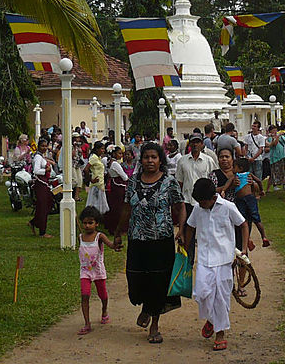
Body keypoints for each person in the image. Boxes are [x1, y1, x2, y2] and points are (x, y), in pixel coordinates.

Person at [113, 142, 186, 344]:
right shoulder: (133, 182)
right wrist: (118, 232)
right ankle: (145, 306)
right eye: (146, 157)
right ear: (141, 160)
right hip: (137, 240)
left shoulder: (169, 182)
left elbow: (180, 207)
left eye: (154, 157)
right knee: (136, 280)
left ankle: (154, 323)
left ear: (160, 160)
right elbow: (127, 209)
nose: (150, 161)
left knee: (158, 282)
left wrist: (181, 229)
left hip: (160, 240)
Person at [183, 177, 249, 351]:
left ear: (213, 198)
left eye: (203, 202)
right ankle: (212, 320)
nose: (201, 205)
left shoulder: (228, 207)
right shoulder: (198, 209)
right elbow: (190, 226)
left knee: (221, 296)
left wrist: (242, 251)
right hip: (205, 258)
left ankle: (220, 333)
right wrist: (185, 247)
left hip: (225, 259)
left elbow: (243, 224)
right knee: (201, 293)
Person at [174, 132, 218, 262]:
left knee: (206, 231)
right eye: (193, 142)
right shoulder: (182, 161)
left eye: (198, 142)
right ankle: (189, 260)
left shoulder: (208, 160)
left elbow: (213, 180)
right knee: (189, 232)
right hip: (187, 201)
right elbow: (179, 182)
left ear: (202, 144)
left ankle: (209, 259)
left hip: (204, 202)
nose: (195, 144)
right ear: (189, 144)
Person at [77, 206, 117, 335]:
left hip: (98, 272)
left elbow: (110, 245)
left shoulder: (100, 237)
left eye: (90, 223)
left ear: (97, 223)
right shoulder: (80, 237)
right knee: (85, 295)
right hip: (85, 272)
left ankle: (104, 311)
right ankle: (87, 324)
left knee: (103, 295)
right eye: (85, 223)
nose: (87, 226)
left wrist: (115, 245)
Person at [228, 158, 270, 248]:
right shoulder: (246, 175)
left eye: (234, 167)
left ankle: (261, 237)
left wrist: (261, 190)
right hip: (249, 199)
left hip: (242, 200)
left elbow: (228, 184)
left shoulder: (239, 176)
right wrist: (261, 190)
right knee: (254, 219)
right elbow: (258, 181)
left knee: (246, 220)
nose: (232, 169)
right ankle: (257, 238)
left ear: (240, 168)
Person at [29, 138, 57, 238]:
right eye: (42, 146)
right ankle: (42, 231)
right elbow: (36, 170)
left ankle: (34, 222)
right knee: (43, 206)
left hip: (44, 183)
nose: (44, 148)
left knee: (47, 204)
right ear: (38, 146)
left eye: (46, 146)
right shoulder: (37, 157)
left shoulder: (42, 157)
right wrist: (46, 170)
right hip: (40, 183)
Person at [103, 146, 129, 235]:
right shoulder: (115, 164)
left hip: (114, 185)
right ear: (114, 153)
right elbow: (124, 177)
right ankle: (118, 228)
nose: (121, 155)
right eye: (119, 153)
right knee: (119, 208)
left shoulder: (109, 162)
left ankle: (112, 227)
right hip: (118, 187)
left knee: (114, 207)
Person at [85, 141, 109, 215]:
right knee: (95, 202)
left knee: (99, 201)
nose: (103, 151)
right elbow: (86, 169)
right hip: (96, 184)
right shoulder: (94, 158)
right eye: (102, 149)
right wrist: (91, 180)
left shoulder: (98, 158)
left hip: (100, 183)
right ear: (97, 149)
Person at [265, 124, 285, 193]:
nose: (275, 132)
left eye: (276, 130)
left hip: (282, 155)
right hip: (274, 157)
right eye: (273, 130)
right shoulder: (269, 138)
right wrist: (276, 137)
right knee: (274, 172)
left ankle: (284, 184)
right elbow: (274, 144)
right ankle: (274, 186)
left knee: (283, 170)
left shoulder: (281, 137)